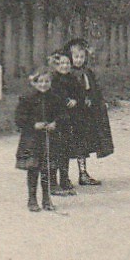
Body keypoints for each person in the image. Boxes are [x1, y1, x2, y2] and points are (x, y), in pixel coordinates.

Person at [65, 39, 114, 186]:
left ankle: (83, 173)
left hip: (84, 114)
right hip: (70, 114)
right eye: (76, 57)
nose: (79, 60)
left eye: (82, 57)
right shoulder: (67, 74)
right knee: (67, 144)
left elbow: (93, 90)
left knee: (82, 143)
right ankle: (63, 177)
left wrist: (96, 101)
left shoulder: (87, 73)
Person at [14, 69, 60, 212]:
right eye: (40, 81)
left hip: (49, 138)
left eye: (47, 81)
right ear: (34, 83)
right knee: (33, 169)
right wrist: (34, 125)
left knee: (47, 169)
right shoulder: (27, 99)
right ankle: (32, 199)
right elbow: (19, 119)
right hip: (32, 140)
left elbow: (63, 115)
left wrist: (55, 123)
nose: (43, 84)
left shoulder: (55, 98)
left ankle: (46, 199)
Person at [46, 49, 81, 195]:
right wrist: (66, 101)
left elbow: (79, 93)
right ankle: (52, 182)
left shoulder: (73, 79)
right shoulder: (52, 79)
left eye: (67, 63)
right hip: (54, 117)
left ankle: (64, 179)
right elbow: (53, 97)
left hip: (68, 118)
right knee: (54, 150)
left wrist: (75, 100)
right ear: (56, 65)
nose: (65, 66)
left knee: (66, 148)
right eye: (61, 63)